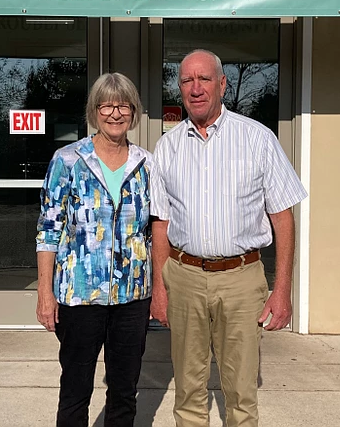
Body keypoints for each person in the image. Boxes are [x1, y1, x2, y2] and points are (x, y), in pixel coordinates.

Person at [150, 50, 308, 427]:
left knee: (241, 392)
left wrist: (282, 288)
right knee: (188, 390)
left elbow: (282, 217)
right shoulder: (167, 148)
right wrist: (160, 286)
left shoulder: (257, 138)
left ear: (222, 85)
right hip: (184, 277)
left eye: (204, 79)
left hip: (241, 279)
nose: (195, 88)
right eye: (187, 80)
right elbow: (160, 222)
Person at [36, 72, 153, 427]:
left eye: (123, 105)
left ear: (134, 112)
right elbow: (48, 229)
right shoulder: (68, 160)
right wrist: (45, 292)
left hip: (132, 296)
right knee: (75, 390)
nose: (115, 113)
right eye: (107, 105)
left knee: (124, 391)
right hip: (79, 295)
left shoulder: (147, 164)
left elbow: (157, 229)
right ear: (94, 110)